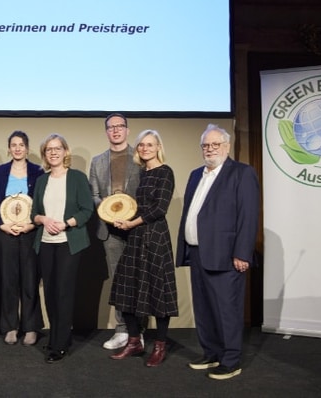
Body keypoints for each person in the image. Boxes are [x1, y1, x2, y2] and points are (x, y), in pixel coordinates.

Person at [176, 124, 259, 380]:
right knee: (204, 309)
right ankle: (211, 353)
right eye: (205, 145)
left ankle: (231, 360)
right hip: (198, 252)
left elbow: (248, 216)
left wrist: (242, 253)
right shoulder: (195, 175)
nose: (210, 149)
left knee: (227, 310)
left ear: (227, 146)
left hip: (226, 256)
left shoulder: (241, 173)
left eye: (215, 144)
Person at [109, 129, 178, 366]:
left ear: (159, 147)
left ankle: (160, 345)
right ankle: (134, 341)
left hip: (155, 238)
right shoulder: (142, 173)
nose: (145, 148)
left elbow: (159, 209)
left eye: (150, 144)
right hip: (137, 236)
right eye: (141, 145)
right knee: (125, 288)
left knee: (158, 292)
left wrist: (132, 222)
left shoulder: (165, 172)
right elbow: (137, 207)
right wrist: (123, 220)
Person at [31, 134, 94, 363]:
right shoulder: (41, 181)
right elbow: (33, 213)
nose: (53, 152)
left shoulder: (77, 178)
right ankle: (58, 337)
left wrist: (66, 223)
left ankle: (59, 344)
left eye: (58, 148)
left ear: (66, 152)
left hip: (69, 243)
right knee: (50, 293)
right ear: (45, 154)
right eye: (49, 149)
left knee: (64, 293)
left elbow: (87, 210)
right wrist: (43, 219)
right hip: (46, 243)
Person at [89, 113, 142, 350]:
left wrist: (130, 217)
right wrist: (109, 211)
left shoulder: (140, 157)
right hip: (109, 231)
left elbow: (145, 194)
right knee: (119, 281)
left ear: (127, 130)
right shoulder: (98, 161)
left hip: (136, 229)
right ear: (106, 132)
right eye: (111, 127)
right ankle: (122, 330)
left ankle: (137, 332)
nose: (116, 130)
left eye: (120, 126)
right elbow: (94, 195)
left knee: (138, 280)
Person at [0, 131, 44, 346]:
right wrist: (2, 225)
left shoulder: (37, 171)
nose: (17, 148)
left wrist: (31, 224)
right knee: (8, 280)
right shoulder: (1, 171)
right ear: (9, 148)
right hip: (6, 232)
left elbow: (41, 201)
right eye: (13, 145)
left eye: (21, 145)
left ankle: (30, 327)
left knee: (30, 280)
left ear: (27, 148)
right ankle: (10, 327)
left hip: (30, 231)